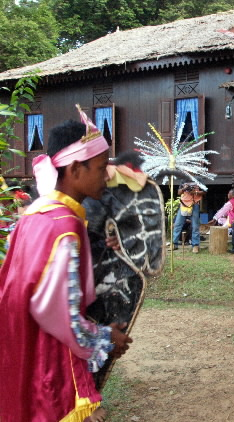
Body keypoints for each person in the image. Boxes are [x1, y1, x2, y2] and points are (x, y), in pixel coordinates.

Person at [0, 108, 133, 422]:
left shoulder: (36, 213)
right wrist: (104, 337)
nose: (106, 176)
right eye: (100, 168)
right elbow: (57, 312)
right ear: (75, 169)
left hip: (19, 341)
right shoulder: (63, 227)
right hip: (50, 355)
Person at [172, 182, 204, 253]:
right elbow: (179, 192)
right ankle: (174, 244)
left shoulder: (198, 180)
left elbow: (204, 191)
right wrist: (184, 188)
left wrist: (195, 192)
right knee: (177, 224)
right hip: (183, 205)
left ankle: (195, 245)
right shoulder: (183, 180)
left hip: (194, 204)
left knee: (195, 226)